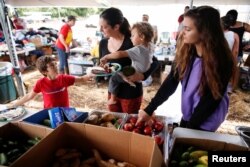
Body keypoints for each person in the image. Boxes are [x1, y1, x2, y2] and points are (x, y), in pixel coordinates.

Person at [137, 6, 237, 132]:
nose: (182, 32)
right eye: (183, 27)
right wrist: (149, 109)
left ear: (205, 32)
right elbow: (170, 83)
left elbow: (211, 100)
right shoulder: (186, 53)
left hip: (207, 118)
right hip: (189, 114)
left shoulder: (222, 60)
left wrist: (189, 128)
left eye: (188, 29)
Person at [99, 7, 159, 114]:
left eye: (104, 27)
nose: (100, 30)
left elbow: (155, 62)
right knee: (115, 120)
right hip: (113, 91)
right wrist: (102, 68)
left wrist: (143, 76)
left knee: (128, 124)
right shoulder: (103, 43)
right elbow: (103, 64)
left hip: (131, 94)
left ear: (116, 26)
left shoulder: (133, 40)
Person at [8, 56, 91, 109]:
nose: (56, 66)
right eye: (52, 65)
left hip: (65, 111)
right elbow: (30, 96)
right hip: (50, 113)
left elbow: (81, 79)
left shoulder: (64, 78)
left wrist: (91, 74)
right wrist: (15, 105)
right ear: (44, 71)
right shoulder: (41, 83)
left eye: (55, 64)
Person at [221, 15, 239, 93]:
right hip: (227, 60)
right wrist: (234, 64)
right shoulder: (235, 35)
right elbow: (235, 52)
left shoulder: (216, 34)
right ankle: (228, 90)